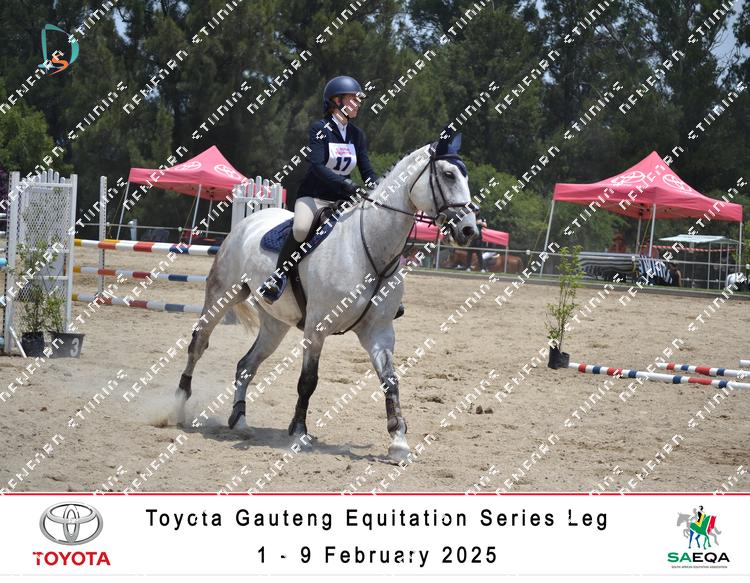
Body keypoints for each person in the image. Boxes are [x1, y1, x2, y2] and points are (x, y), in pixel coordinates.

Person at [258, 76, 405, 318]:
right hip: (314, 196)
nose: (358, 104)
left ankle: (383, 290)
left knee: (371, 230)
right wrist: (346, 184)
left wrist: (379, 189)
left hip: (342, 200)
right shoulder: (319, 129)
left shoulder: (357, 135)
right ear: (336, 101)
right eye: (353, 99)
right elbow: (317, 166)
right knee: (301, 228)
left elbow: (367, 171)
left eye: (358, 100)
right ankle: (278, 277)